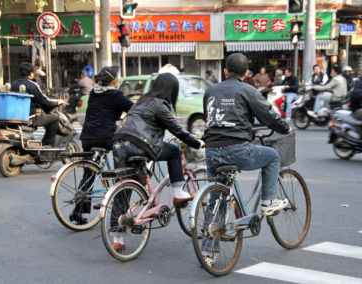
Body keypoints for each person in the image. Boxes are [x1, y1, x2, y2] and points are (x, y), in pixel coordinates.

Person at [202, 53, 291, 263]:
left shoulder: (211, 90)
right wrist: (284, 128)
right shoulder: (247, 89)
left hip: (212, 151)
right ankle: (269, 201)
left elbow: (210, 118)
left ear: (225, 71)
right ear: (246, 73)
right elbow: (267, 114)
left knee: (217, 198)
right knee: (272, 156)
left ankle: (208, 252)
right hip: (236, 149)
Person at [111, 73, 203, 250]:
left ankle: (117, 239)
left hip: (118, 145)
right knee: (174, 151)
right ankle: (179, 193)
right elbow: (177, 130)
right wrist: (197, 142)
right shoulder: (160, 105)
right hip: (138, 145)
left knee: (124, 188)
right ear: (172, 91)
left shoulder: (141, 102)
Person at [70, 66, 134, 225]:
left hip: (87, 137)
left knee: (89, 173)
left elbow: (102, 111)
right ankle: (119, 199)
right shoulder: (116, 94)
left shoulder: (93, 92)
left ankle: (78, 210)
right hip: (105, 137)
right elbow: (133, 109)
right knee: (124, 161)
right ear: (114, 80)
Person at [11, 62, 64, 147]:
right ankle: (47, 145)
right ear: (31, 73)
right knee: (55, 118)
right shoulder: (32, 85)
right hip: (29, 118)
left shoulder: (14, 84)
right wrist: (58, 102)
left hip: (16, 117)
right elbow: (44, 100)